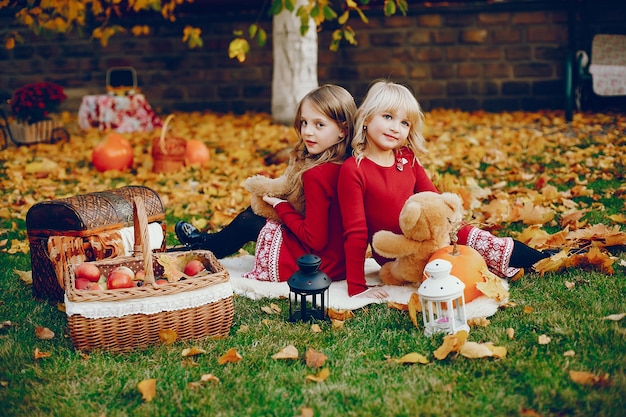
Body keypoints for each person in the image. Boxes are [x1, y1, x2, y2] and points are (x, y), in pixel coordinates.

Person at [338, 80, 551, 297]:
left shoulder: (406, 158)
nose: (395, 128)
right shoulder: (354, 169)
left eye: (405, 123)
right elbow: (356, 232)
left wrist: (458, 230)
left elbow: (435, 201)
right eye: (387, 117)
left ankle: (544, 258)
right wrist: (357, 287)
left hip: (434, 236)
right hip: (401, 252)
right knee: (456, 268)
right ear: (366, 118)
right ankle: (532, 260)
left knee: (480, 243)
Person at [174, 84, 357, 282]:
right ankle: (206, 242)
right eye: (304, 122)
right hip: (340, 262)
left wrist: (282, 207)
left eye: (319, 125)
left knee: (248, 221)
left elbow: (315, 239)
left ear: (343, 130)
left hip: (315, 264)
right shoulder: (347, 164)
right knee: (255, 210)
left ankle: (201, 247)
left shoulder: (317, 174)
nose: (307, 132)